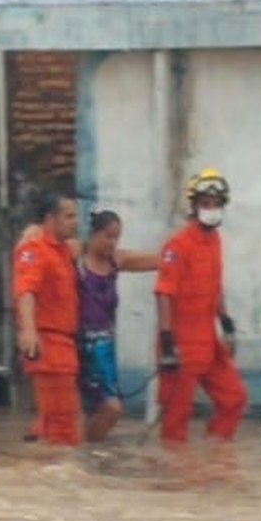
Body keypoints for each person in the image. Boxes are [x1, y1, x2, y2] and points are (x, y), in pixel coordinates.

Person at [18, 210, 158, 442]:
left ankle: (78, 452)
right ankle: (71, 449)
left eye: (116, 237)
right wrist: (31, 231)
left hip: (105, 348)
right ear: (93, 234)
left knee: (101, 410)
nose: (112, 243)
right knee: (109, 407)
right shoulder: (75, 252)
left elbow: (159, 260)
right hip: (76, 343)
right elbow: (43, 242)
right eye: (107, 236)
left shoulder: (117, 260)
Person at [154, 168, 248, 444]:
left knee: (234, 398)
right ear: (194, 206)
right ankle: (175, 479)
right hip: (181, 343)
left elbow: (215, 286)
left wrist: (227, 325)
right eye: (206, 204)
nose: (212, 209)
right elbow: (164, 294)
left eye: (217, 204)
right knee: (176, 419)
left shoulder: (214, 241)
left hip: (208, 341)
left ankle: (213, 461)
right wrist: (168, 342)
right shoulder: (178, 245)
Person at [13, 191, 81, 446]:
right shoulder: (35, 250)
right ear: (51, 218)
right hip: (48, 344)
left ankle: (40, 475)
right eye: (69, 216)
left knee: (53, 422)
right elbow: (25, 291)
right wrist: (29, 331)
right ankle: (55, 478)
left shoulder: (63, 250)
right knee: (62, 425)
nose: (76, 221)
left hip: (63, 345)